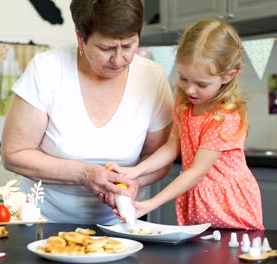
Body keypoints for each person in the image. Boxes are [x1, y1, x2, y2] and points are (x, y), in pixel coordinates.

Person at [0, 0, 174, 225]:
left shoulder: (152, 77)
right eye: (106, 48)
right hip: (43, 222)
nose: (119, 60)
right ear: (80, 37)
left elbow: (158, 156)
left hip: (122, 224)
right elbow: (14, 154)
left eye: (129, 46)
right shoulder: (46, 70)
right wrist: (84, 175)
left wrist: (135, 182)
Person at [108, 19, 264, 230]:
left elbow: (195, 172)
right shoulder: (185, 101)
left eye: (201, 84)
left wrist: (149, 205)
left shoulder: (224, 116)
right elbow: (172, 146)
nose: (190, 89)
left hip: (229, 207)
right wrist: (133, 172)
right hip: (200, 201)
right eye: (183, 78)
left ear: (228, 76)